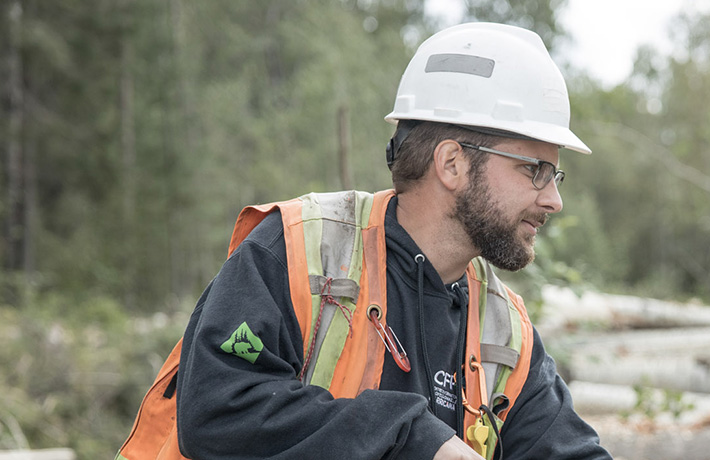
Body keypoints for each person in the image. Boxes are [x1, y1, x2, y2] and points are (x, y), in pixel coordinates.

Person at [117, 23, 611, 460]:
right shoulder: (298, 252)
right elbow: (215, 413)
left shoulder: (505, 332)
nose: (553, 200)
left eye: (555, 175)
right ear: (453, 163)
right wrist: (408, 436)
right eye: (535, 170)